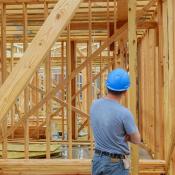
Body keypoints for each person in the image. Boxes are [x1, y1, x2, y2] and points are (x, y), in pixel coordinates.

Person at [90, 68, 141, 175]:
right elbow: (137, 140)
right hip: (116, 164)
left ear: (106, 86)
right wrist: (126, 135)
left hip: (97, 160)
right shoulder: (124, 113)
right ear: (125, 91)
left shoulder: (94, 105)